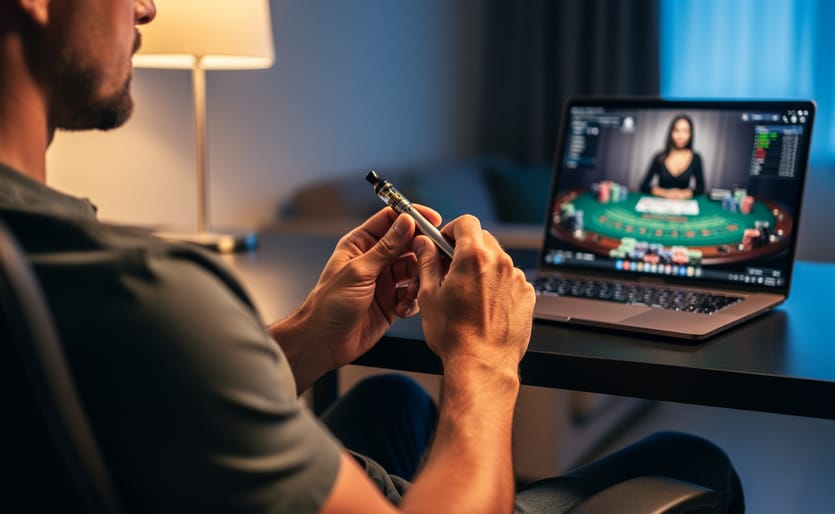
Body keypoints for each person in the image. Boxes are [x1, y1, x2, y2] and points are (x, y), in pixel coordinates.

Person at [0, 1, 744, 512]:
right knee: (689, 460)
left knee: (393, 400)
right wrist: (483, 362)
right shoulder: (148, 292)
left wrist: (305, 338)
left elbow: (145, 412)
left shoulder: (53, 274)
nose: (147, 8)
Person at [640, 114, 706, 199]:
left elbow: (701, 188)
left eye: (685, 131)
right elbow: (644, 186)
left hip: (683, 203)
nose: (680, 136)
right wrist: (666, 193)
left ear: (690, 134)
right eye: (676, 130)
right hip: (660, 202)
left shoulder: (696, 158)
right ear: (671, 132)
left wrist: (683, 194)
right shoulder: (659, 156)